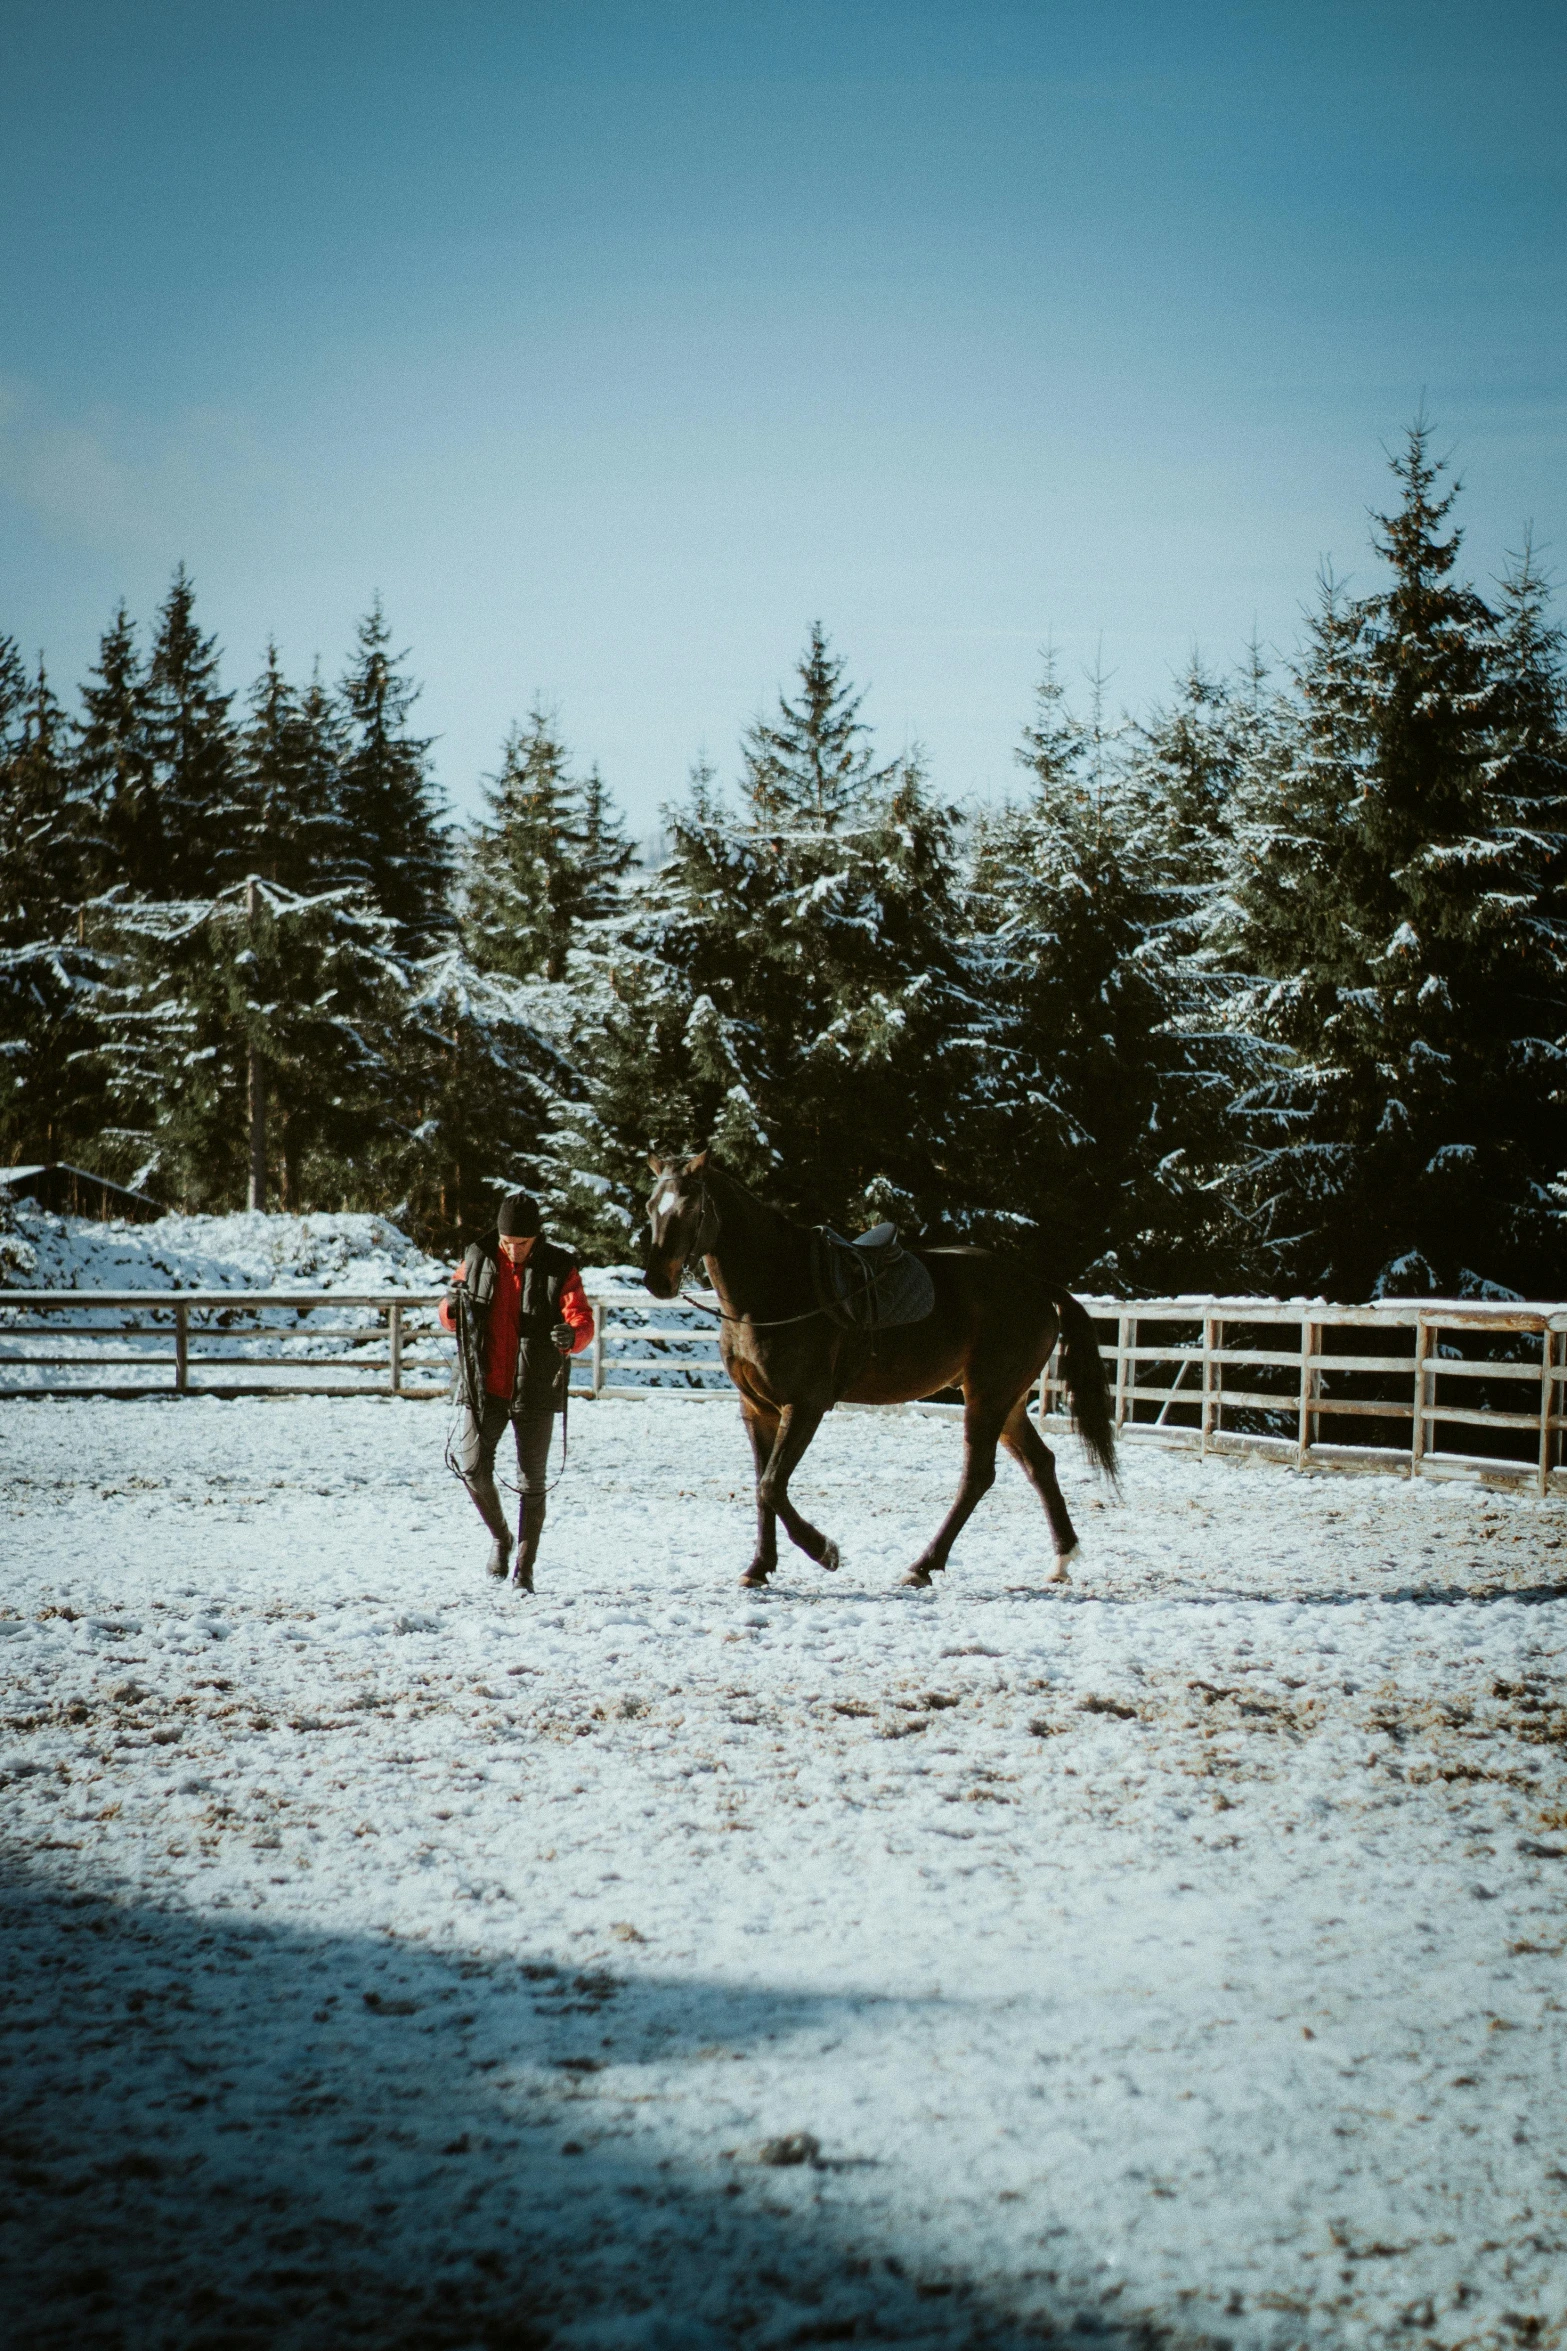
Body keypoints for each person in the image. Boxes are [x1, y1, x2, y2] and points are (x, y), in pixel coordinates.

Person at [439, 1190, 594, 1591]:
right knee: (471, 1466)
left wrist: (571, 1335)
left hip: (536, 1385)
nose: (514, 1250)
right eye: (508, 1243)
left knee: (533, 1482)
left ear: (537, 1237)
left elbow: (581, 1318)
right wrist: (451, 1307)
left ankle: (524, 1569)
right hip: (484, 1383)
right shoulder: (477, 1256)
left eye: (522, 1244)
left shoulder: (560, 1266)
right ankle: (501, 1537)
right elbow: (448, 1308)